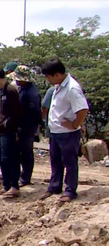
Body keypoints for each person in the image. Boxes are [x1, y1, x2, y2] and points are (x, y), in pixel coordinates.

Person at [39, 59, 89, 203]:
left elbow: (83, 108)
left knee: (69, 162)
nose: (48, 80)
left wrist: (75, 125)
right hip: (55, 132)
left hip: (67, 133)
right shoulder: (59, 86)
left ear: (56, 74)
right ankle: (55, 186)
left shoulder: (72, 88)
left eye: (49, 76)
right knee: (56, 161)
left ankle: (70, 190)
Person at [0, 68, 22, 198]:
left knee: (10, 158)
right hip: (1, 130)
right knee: (2, 159)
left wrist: (12, 127)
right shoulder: (2, 91)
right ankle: (6, 185)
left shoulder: (10, 91)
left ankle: (14, 186)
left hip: (9, 130)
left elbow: (17, 112)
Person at [15, 65, 42, 187]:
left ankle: (25, 177)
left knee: (26, 153)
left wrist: (25, 129)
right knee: (21, 153)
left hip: (26, 127)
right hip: (23, 126)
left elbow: (32, 113)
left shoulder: (31, 93)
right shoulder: (24, 89)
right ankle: (22, 176)